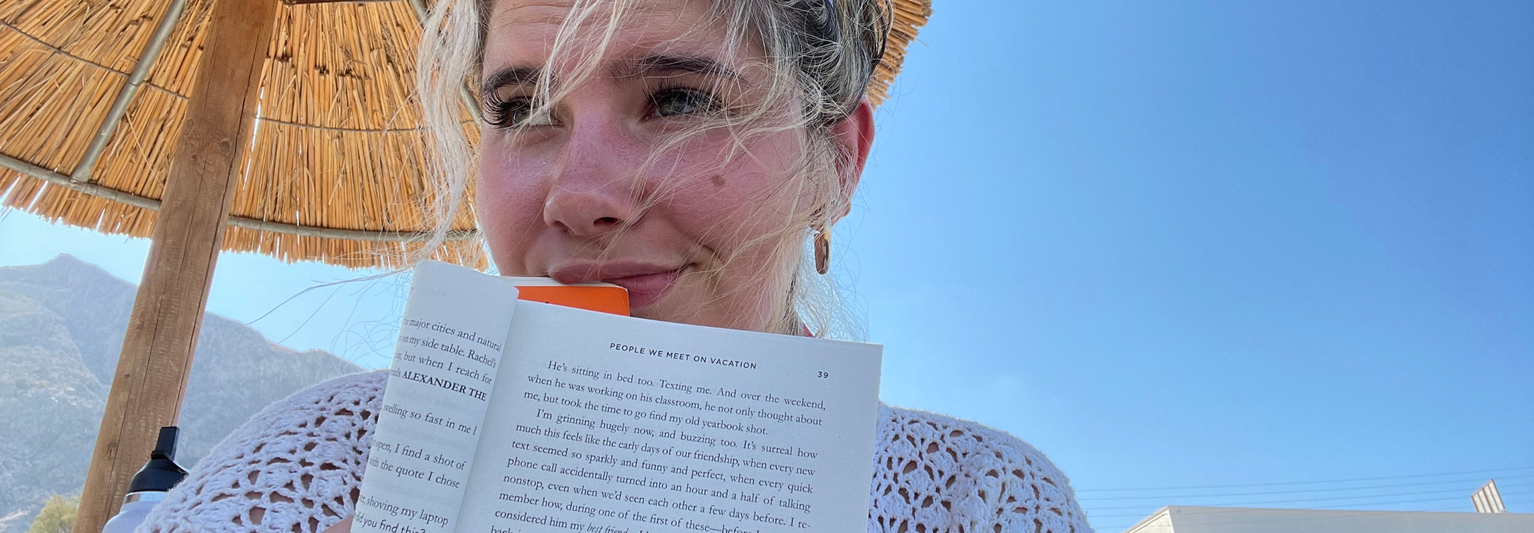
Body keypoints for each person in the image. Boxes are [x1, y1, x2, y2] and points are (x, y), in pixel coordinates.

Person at [139, 0, 1096, 531]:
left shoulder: (978, 500)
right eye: (519, 108)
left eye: (679, 98)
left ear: (837, 161)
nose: (574, 193)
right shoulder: (322, 463)